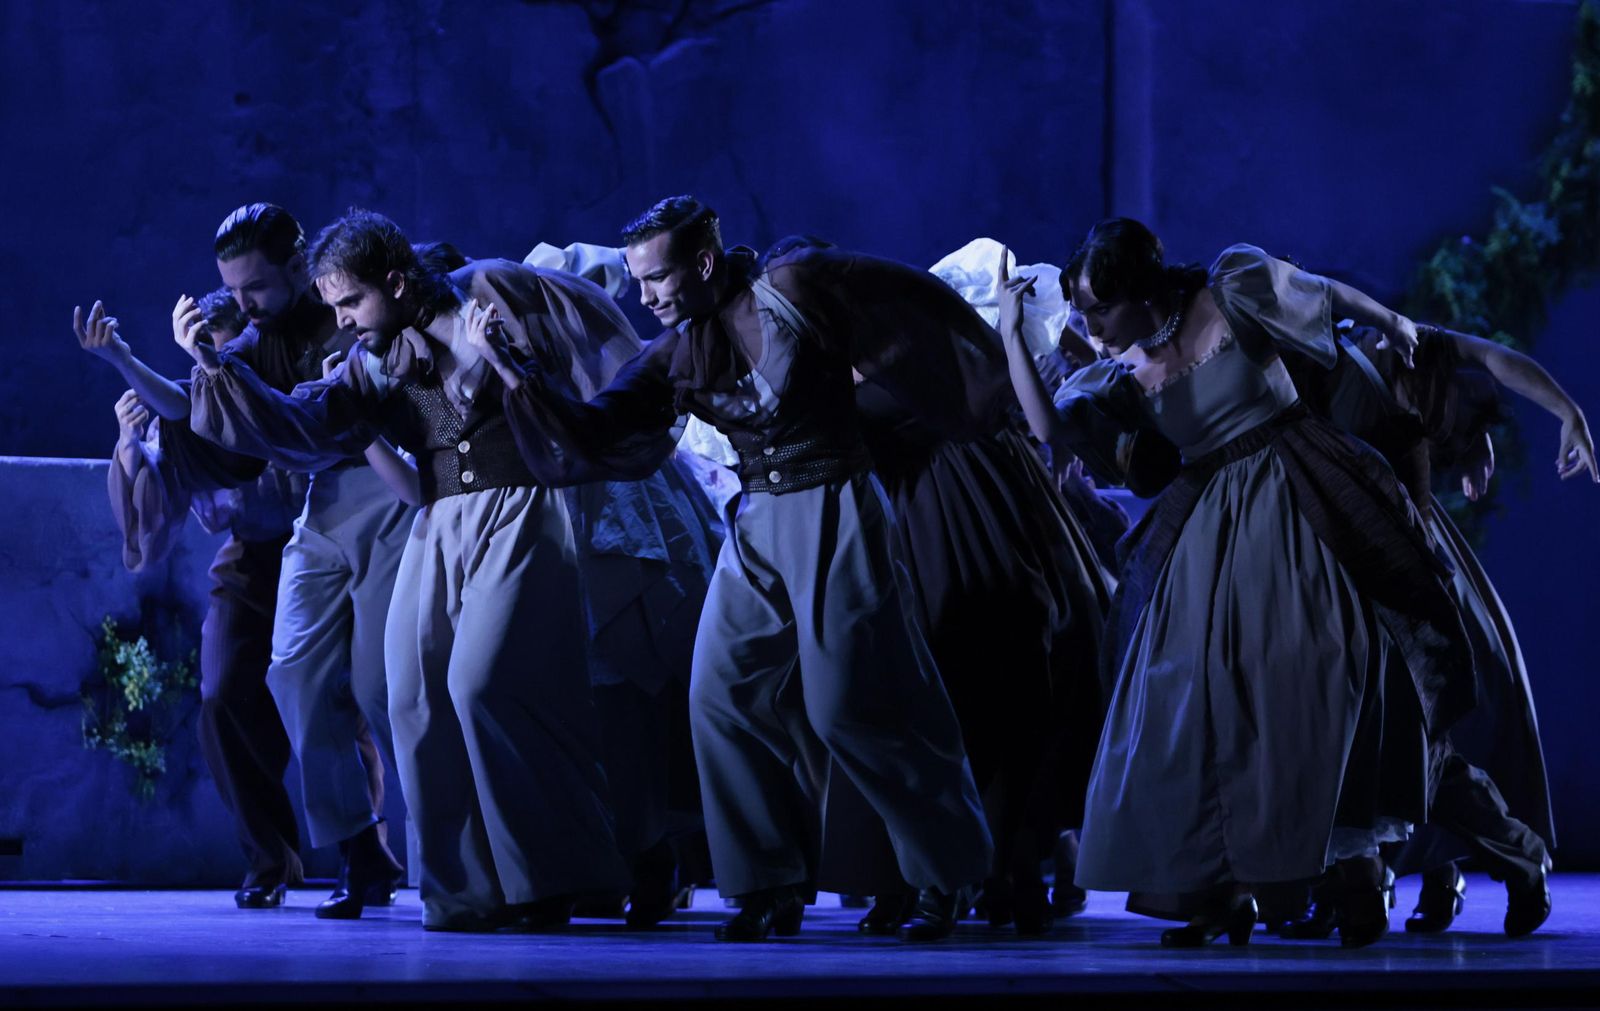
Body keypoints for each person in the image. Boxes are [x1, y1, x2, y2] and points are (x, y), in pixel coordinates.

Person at [469, 195, 996, 942]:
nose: (645, 296)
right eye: (637, 280)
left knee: (856, 700)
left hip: (836, 501)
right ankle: (765, 883)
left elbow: (911, 307)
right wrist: (514, 371)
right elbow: (600, 427)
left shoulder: (796, 289)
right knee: (721, 694)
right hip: (757, 520)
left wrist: (963, 391)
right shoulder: (677, 351)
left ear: (705, 264)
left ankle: (946, 872)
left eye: (656, 279)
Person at [997, 218, 1475, 948]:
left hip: (1298, 486)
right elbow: (1048, 426)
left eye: (1100, 306)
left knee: (1316, 668)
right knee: (1189, 692)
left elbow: (1320, 294)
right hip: (1209, 518)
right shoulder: (1121, 373)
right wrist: (1007, 329)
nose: (1089, 324)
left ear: (1140, 291)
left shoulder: (1233, 291)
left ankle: (1351, 865)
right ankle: (1218, 887)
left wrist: (1389, 320)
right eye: (1085, 310)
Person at [181, 208, 632, 932]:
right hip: (441, 519)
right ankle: (464, 888)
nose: (344, 319)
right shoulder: (375, 357)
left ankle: (554, 875)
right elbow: (306, 421)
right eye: (334, 306)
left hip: (518, 504)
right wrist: (214, 366)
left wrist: (522, 372)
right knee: (410, 694)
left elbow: (593, 351)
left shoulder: (489, 296)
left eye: (352, 302)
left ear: (394, 280)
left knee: (485, 683)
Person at [1280, 320, 1594, 938]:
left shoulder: (1379, 343)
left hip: (1393, 557)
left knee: (1421, 733)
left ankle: (1490, 857)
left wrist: (1567, 411)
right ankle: (1354, 883)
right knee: (1329, 727)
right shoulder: (1272, 354)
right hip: (1319, 556)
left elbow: (1492, 357)